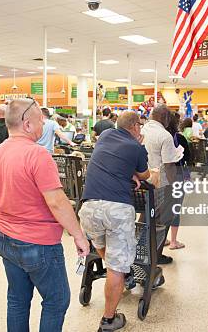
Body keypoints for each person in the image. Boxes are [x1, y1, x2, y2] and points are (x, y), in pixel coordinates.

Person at [0, 98, 89, 332]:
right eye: (40, 122)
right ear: (27, 124)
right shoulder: (38, 155)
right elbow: (57, 202)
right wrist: (78, 236)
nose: (43, 126)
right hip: (38, 243)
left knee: (17, 300)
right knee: (56, 301)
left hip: (5, 238)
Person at [79, 111, 150, 331]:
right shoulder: (136, 147)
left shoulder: (106, 135)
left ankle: (116, 269)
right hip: (117, 209)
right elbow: (146, 174)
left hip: (88, 209)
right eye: (140, 125)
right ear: (136, 127)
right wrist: (137, 165)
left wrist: (127, 172)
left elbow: (110, 160)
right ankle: (109, 320)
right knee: (117, 268)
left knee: (102, 247)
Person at [141, 104, 182, 264]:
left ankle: (142, 253)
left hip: (142, 182)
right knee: (162, 221)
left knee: (144, 219)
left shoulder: (141, 131)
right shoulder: (164, 136)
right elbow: (169, 165)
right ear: (165, 118)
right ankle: (156, 255)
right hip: (160, 184)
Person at [165, 112, 191, 250]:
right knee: (175, 208)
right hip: (178, 175)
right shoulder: (179, 138)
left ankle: (163, 239)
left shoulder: (160, 137)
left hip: (162, 176)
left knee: (163, 208)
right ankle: (174, 241)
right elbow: (188, 157)